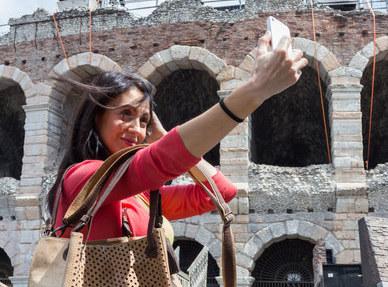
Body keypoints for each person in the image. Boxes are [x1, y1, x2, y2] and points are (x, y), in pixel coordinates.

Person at [47, 32, 307, 242]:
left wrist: (160, 137)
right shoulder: (79, 178)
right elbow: (159, 162)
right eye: (125, 114)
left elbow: (219, 193)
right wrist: (254, 92)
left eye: (144, 121)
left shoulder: (141, 195)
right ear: (96, 116)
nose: (137, 130)